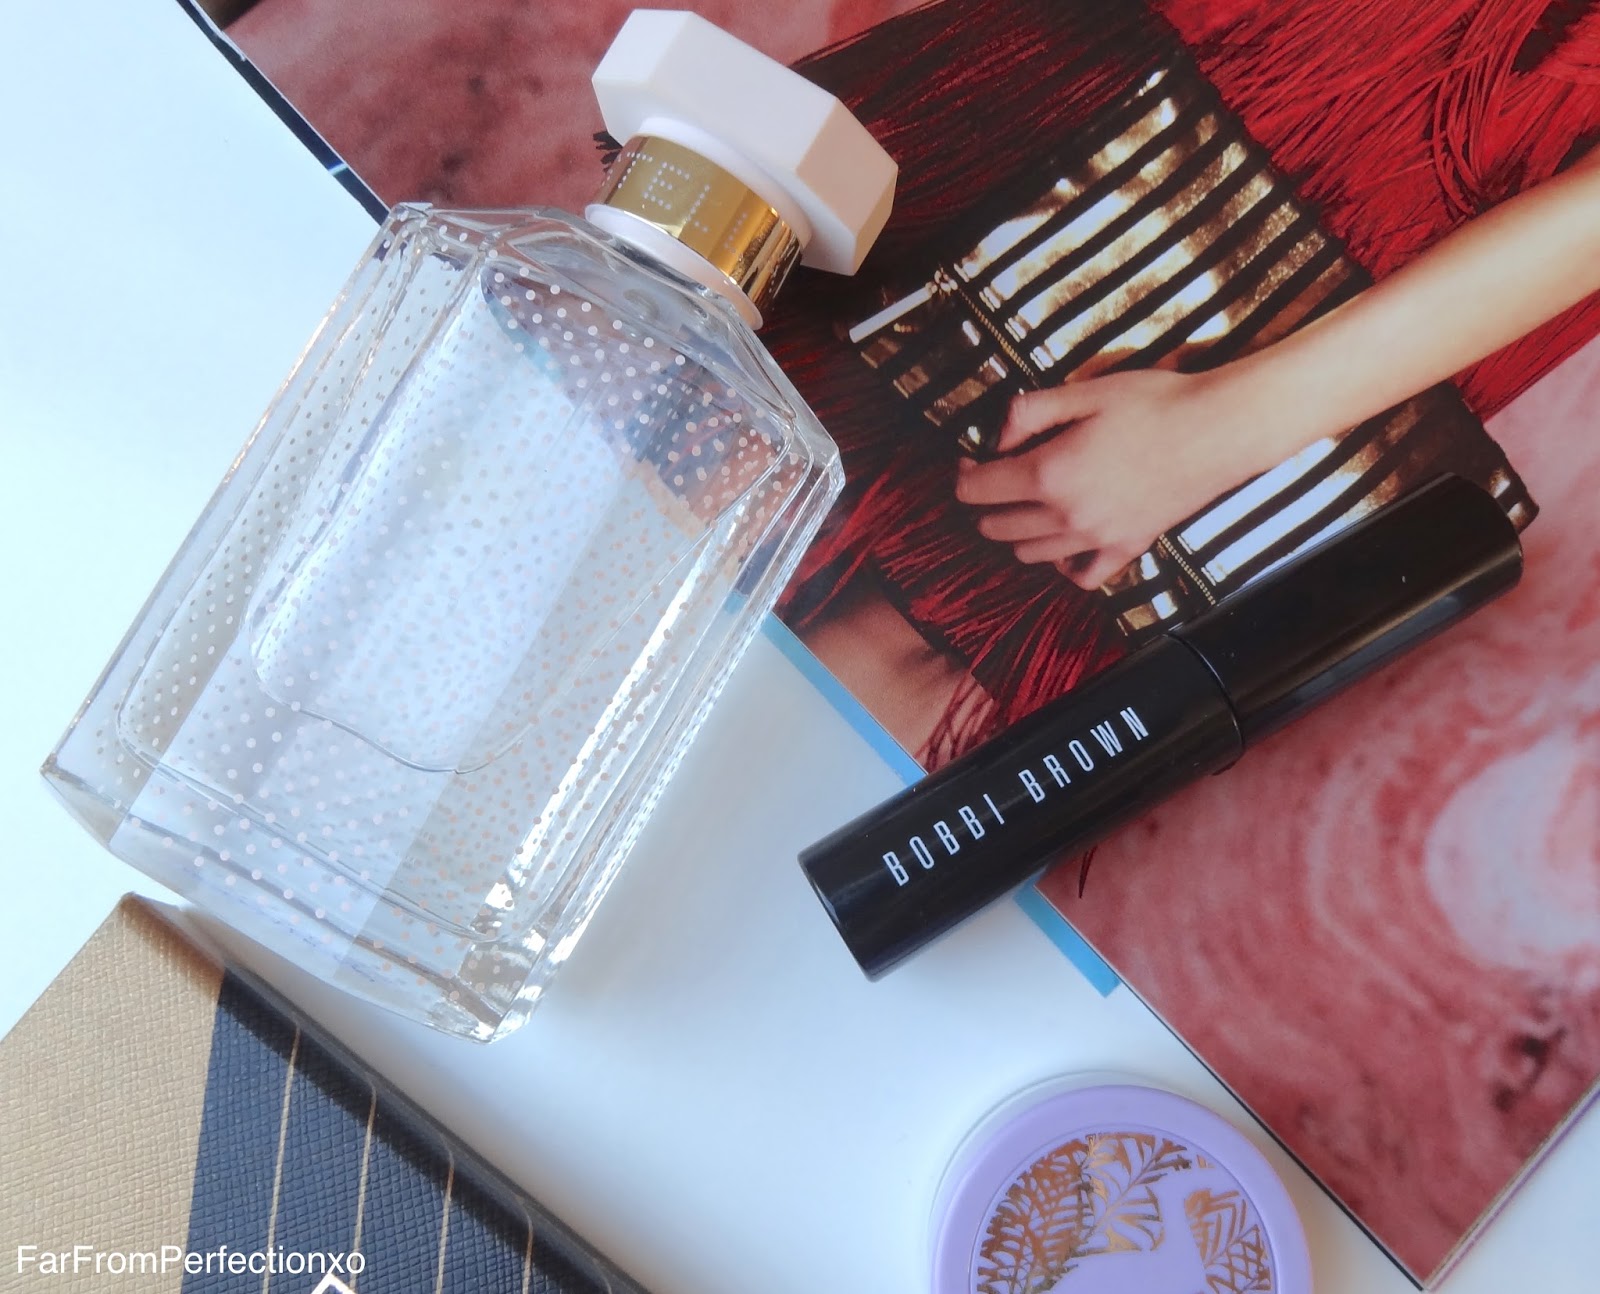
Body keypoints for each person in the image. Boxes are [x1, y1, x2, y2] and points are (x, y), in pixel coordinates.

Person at [764, 0, 1600, 766]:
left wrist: (1229, 425)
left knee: (906, 628)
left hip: (1366, 179)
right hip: (1131, 68)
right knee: (723, 403)